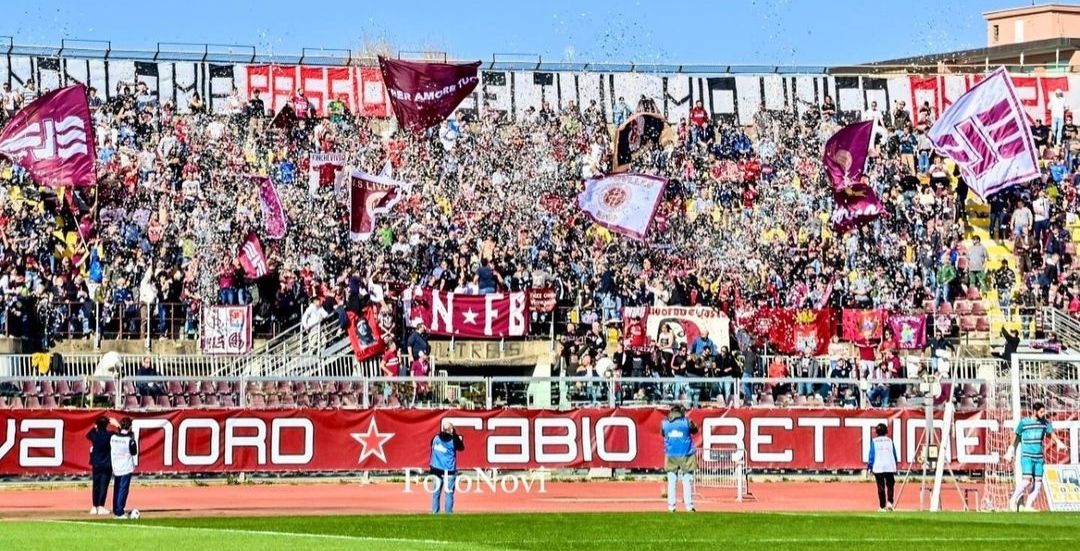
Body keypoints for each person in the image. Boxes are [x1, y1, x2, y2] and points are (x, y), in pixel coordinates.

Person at [1006, 401, 1068, 511]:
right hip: (1027, 456)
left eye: (1044, 411)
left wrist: (1059, 442)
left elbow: (1051, 432)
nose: (1043, 414)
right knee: (1027, 480)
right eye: (1041, 412)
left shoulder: (1044, 423)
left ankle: (1028, 506)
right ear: (1034, 411)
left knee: (1038, 482)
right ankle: (1013, 499)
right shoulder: (1024, 422)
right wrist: (1011, 448)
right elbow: (1016, 434)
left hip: (1039, 457)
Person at [662, 404, 697, 512]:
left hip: (671, 454)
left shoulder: (665, 423)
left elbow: (663, 433)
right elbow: (695, 430)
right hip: (686, 454)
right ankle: (689, 506)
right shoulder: (686, 421)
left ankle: (671, 506)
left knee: (672, 481)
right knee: (687, 480)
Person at [429, 420, 465, 514]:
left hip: (436, 469)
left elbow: (431, 445)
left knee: (436, 493)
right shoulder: (453, 440)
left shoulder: (435, 438)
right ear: (451, 430)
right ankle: (448, 513)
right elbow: (461, 447)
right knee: (449, 494)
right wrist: (455, 434)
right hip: (449, 470)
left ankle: (435, 512)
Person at [86, 416, 117, 515]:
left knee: (96, 485)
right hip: (107, 463)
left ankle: (94, 506)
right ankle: (101, 506)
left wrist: (95, 426)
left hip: (96, 463)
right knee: (104, 485)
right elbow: (121, 434)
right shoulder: (110, 435)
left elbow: (88, 435)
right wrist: (117, 425)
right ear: (107, 425)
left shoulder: (95, 435)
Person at [110, 417, 139, 519]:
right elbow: (134, 451)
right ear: (130, 427)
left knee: (117, 489)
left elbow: (120, 434)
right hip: (126, 467)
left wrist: (117, 426)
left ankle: (116, 509)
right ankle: (119, 512)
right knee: (123, 490)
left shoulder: (113, 437)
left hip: (116, 467)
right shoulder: (129, 440)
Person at [867, 423, 898, 512]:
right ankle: (890, 502)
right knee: (890, 485)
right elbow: (894, 453)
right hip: (889, 466)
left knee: (881, 487)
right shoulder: (889, 440)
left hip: (878, 466)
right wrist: (895, 463)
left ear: (877, 432)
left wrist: (869, 466)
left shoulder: (874, 441)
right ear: (886, 431)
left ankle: (882, 506)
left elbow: (872, 455)